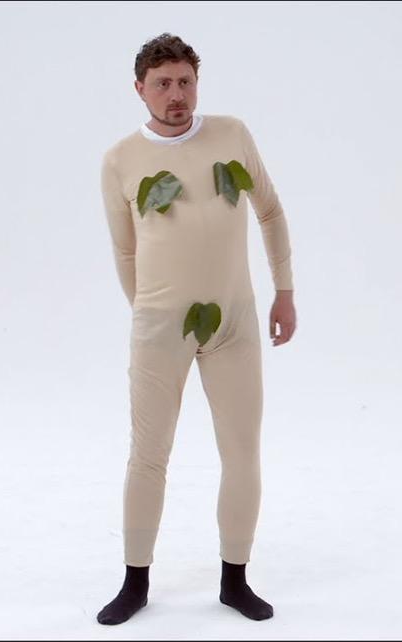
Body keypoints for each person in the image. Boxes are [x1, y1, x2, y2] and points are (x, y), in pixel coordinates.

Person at [95, 33, 297, 625]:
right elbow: (124, 250)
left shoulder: (232, 134)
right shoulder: (119, 160)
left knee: (242, 452)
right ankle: (135, 582)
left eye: (185, 81)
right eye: (162, 84)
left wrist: (284, 291)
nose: (176, 94)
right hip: (159, 328)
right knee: (147, 455)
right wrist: (149, 311)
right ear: (140, 89)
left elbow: (270, 211)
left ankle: (235, 579)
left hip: (233, 322)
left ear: (197, 83)